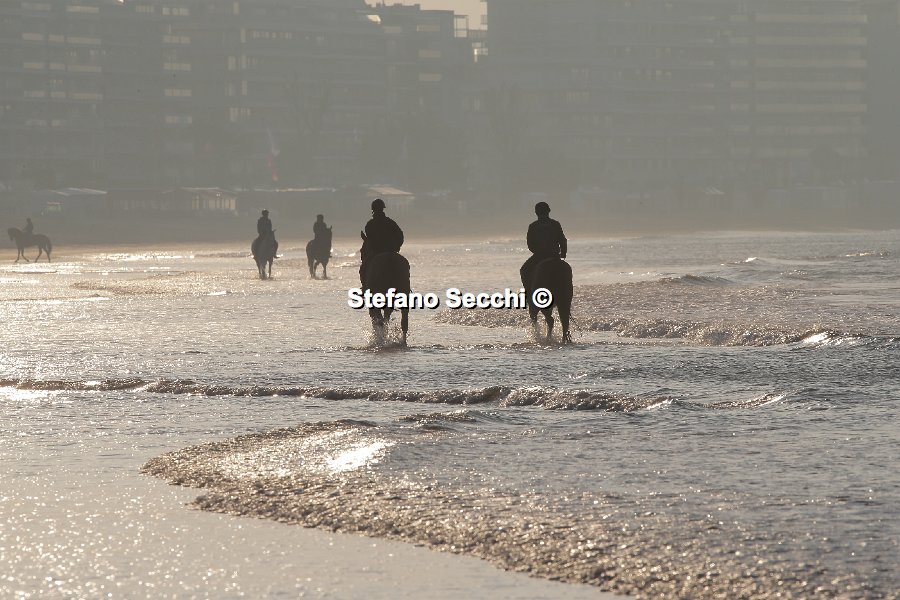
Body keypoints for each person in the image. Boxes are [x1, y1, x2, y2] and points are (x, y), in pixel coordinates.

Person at [520, 201, 567, 288]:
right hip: (554, 255)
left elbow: (530, 244)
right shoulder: (555, 224)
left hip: (539, 256)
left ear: (536, 212)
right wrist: (563, 254)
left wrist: (538, 252)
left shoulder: (533, 226)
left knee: (524, 270)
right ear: (549, 211)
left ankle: (528, 291)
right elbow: (562, 240)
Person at [360, 198, 404, 285]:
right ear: (383, 209)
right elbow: (400, 236)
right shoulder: (391, 222)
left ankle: (365, 287)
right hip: (391, 251)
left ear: (373, 210)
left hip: (376, 252)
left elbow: (370, 240)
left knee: (364, 268)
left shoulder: (370, 224)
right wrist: (396, 248)